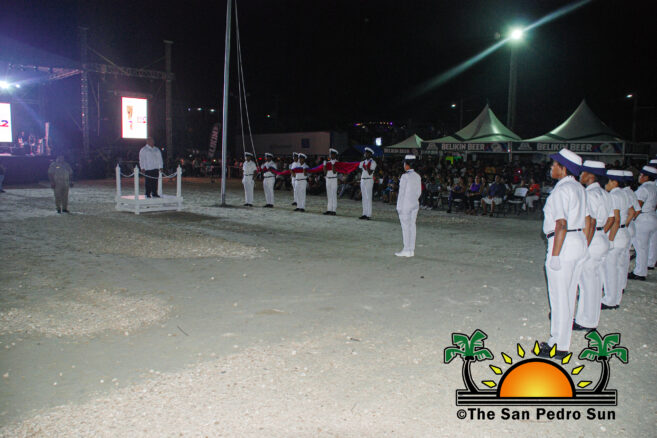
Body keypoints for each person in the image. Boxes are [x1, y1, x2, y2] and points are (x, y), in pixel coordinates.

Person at [538, 149, 586, 359]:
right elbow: (587, 220)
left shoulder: (561, 191)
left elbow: (561, 224)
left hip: (563, 244)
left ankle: (558, 345)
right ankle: (561, 342)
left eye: (555, 165)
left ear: (563, 169)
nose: (552, 167)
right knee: (568, 295)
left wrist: (555, 255)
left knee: (559, 297)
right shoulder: (579, 188)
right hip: (577, 240)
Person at [573, 161, 612, 331]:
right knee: (595, 281)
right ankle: (592, 318)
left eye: (583, 173)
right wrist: (601, 234)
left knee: (586, 282)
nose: (580, 176)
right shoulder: (605, 194)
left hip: (592, 238)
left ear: (591, 176)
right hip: (601, 236)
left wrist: (585, 245)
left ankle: (586, 321)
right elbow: (611, 219)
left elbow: (591, 221)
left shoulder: (589, 194)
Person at [601, 170, 630, 310]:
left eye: (608, 182)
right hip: (623, 232)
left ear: (614, 182)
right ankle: (616, 298)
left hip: (615, 234)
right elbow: (631, 212)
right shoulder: (624, 194)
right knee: (618, 269)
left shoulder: (613, 196)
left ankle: (610, 300)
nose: (606, 185)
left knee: (610, 270)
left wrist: (610, 239)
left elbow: (615, 219)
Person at [628, 166, 657, 280]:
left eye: (641, 175)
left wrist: (630, 220)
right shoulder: (654, 187)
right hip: (652, 215)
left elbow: (638, 207)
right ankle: (649, 263)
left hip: (643, 218)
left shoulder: (644, 189)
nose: (639, 177)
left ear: (646, 177)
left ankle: (640, 272)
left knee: (641, 247)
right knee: (650, 244)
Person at [395, 155, 422, 257]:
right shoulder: (417, 176)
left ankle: (406, 249)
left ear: (407, 165)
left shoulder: (405, 176)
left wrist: (399, 206)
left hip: (405, 204)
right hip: (414, 203)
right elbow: (419, 192)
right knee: (412, 226)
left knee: (405, 227)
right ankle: (411, 250)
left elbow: (401, 193)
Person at [358, 147, 377, 220]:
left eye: (367, 153)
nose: (365, 154)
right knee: (364, 197)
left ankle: (368, 214)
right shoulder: (363, 162)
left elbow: (369, 173)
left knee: (368, 197)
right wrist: (363, 164)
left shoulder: (373, 162)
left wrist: (366, 166)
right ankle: (364, 213)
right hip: (363, 179)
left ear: (370, 154)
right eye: (365, 153)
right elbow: (360, 170)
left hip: (369, 180)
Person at [323, 148, 339, 215]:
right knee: (329, 195)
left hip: (334, 179)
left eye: (332, 154)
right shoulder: (328, 162)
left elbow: (334, 172)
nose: (330, 155)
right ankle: (329, 209)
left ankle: (334, 210)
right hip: (328, 179)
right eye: (330, 154)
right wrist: (324, 165)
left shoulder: (337, 162)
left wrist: (332, 164)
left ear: (335, 155)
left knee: (333, 195)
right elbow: (325, 173)